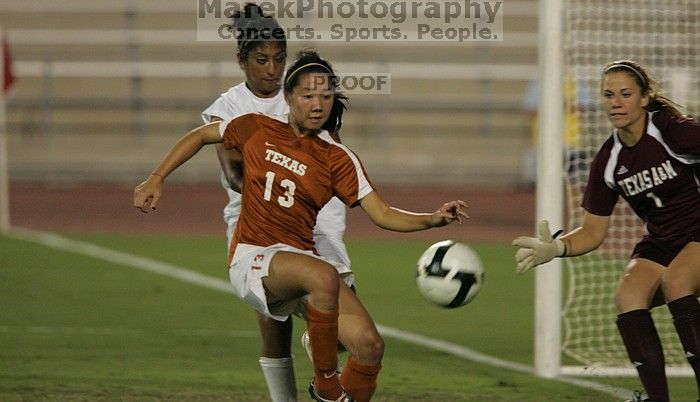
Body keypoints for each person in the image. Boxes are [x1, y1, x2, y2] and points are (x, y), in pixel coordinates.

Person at [135, 49, 468, 402]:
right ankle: (326, 387)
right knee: (324, 276)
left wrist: (433, 219)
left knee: (369, 346)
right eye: (308, 95)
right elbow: (200, 136)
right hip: (255, 257)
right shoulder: (256, 128)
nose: (317, 104)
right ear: (289, 97)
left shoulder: (338, 158)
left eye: (326, 96)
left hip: (300, 260)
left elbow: (383, 214)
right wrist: (156, 177)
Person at [512, 60, 700, 402]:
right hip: (663, 240)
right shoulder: (609, 159)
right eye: (609, 95)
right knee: (628, 295)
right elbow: (592, 232)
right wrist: (556, 248)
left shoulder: (671, 130)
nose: (616, 102)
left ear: (644, 98)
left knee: (676, 282)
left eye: (625, 94)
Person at [201, 3, 354, 401]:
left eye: (279, 59)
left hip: (319, 220)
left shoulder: (304, 92)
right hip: (258, 223)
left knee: (344, 334)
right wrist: (285, 173)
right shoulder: (229, 107)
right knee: (274, 325)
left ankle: (318, 350)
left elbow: (332, 153)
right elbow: (235, 176)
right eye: (261, 60)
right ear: (241, 61)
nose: (271, 69)